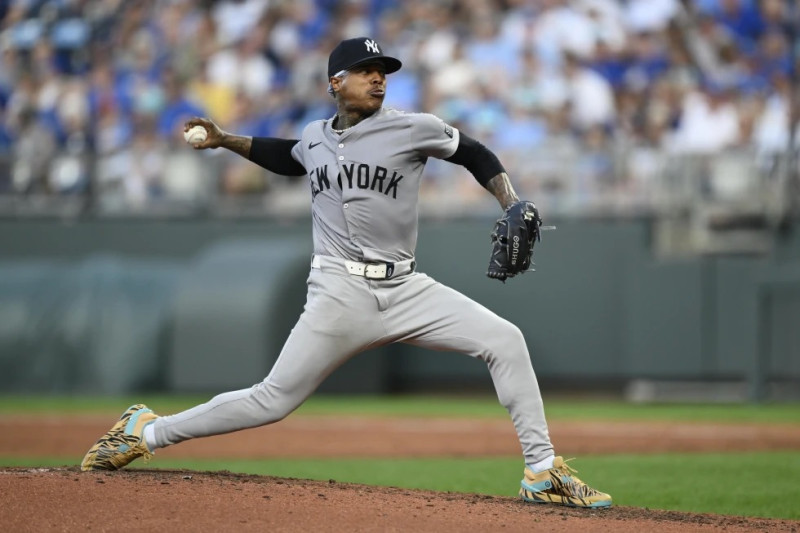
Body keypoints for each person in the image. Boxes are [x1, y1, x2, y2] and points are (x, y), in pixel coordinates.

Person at [80, 37, 612, 509]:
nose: (378, 78)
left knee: (505, 340)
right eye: (365, 70)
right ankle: (147, 432)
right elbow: (288, 156)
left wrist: (510, 200)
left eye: (383, 71)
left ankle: (542, 471)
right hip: (339, 292)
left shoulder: (412, 128)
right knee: (272, 400)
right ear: (335, 82)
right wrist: (226, 140)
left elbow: (475, 153)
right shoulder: (314, 136)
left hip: (406, 287)